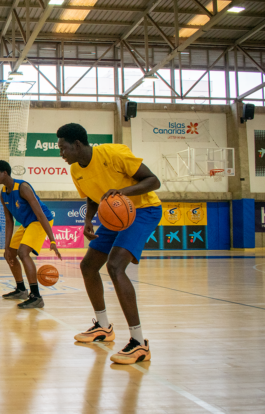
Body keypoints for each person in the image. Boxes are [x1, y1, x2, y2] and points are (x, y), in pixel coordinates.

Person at [57, 123, 162, 365]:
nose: (60, 153)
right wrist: (87, 219)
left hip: (144, 210)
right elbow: (93, 196)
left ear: (78, 145)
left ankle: (139, 343)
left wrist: (123, 192)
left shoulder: (113, 154)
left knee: (115, 267)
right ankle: (103, 327)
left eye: (63, 148)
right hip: (115, 213)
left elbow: (153, 181)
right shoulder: (76, 170)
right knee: (88, 266)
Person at [0, 160, 61, 309]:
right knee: (10, 254)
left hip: (40, 220)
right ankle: (21, 289)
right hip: (27, 224)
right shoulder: (3, 193)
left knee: (23, 252)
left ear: (5, 173)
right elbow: (9, 221)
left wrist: (52, 240)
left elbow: (40, 214)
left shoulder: (23, 188)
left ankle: (36, 296)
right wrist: (6, 248)